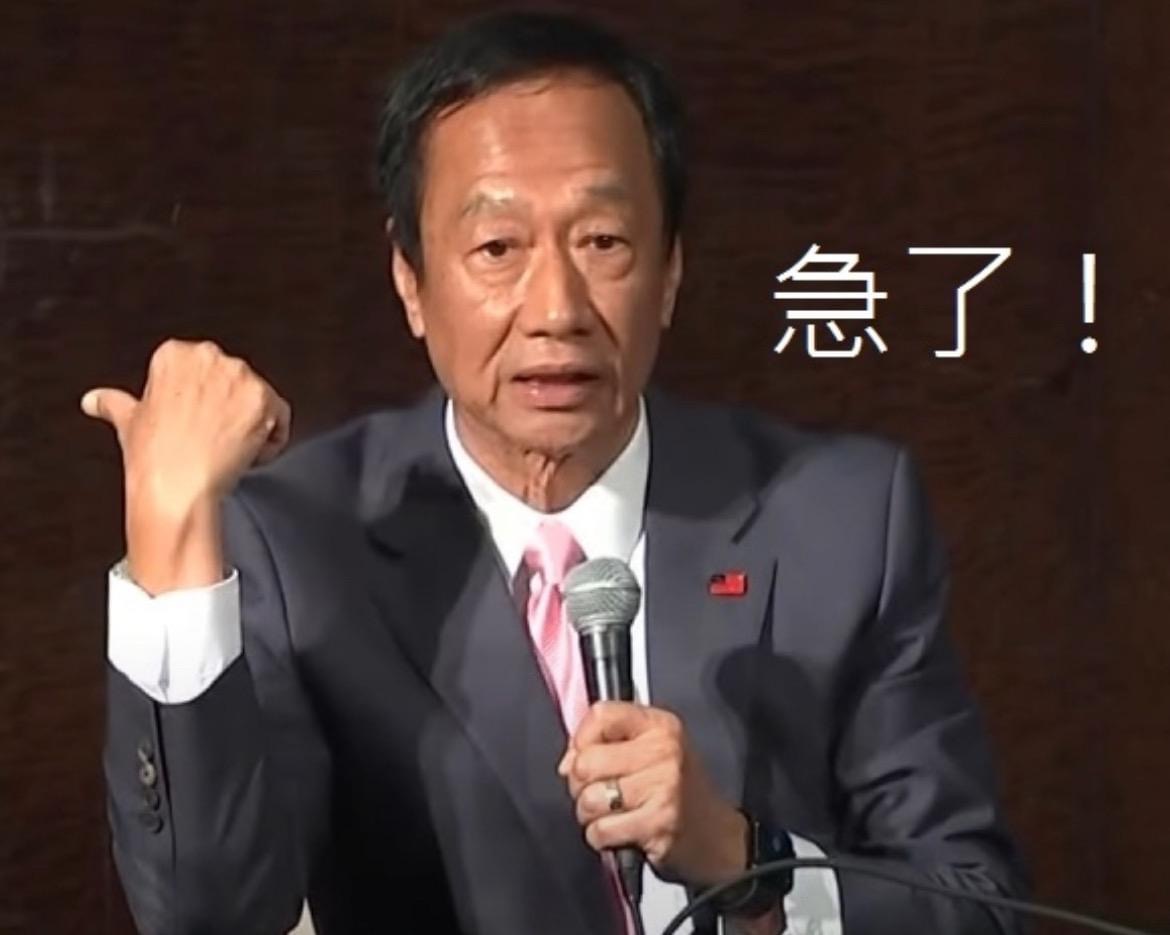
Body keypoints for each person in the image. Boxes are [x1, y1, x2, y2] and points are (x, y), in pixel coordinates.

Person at [83, 10, 1026, 935]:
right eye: (498, 248)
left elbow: (979, 905)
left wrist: (748, 863)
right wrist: (173, 529)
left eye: (602, 241)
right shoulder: (299, 542)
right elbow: (210, 914)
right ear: (411, 280)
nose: (557, 309)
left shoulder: (843, 520)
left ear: (670, 271)